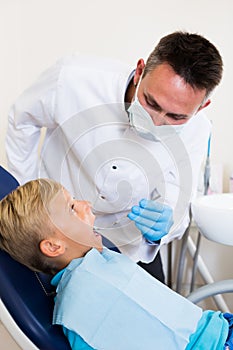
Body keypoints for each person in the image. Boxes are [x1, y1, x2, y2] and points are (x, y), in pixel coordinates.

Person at [5, 31, 223, 282]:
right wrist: (28, 197)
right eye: (150, 103)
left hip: (126, 243)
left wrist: (162, 226)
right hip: (57, 231)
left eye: (176, 117)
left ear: (201, 107)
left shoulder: (197, 130)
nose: (155, 121)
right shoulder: (74, 78)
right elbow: (21, 120)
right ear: (140, 71)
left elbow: (178, 198)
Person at [0, 178, 232, 350]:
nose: (85, 204)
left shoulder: (96, 262)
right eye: (72, 208)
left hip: (218, 328)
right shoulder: (83, 301)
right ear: (53, 247)